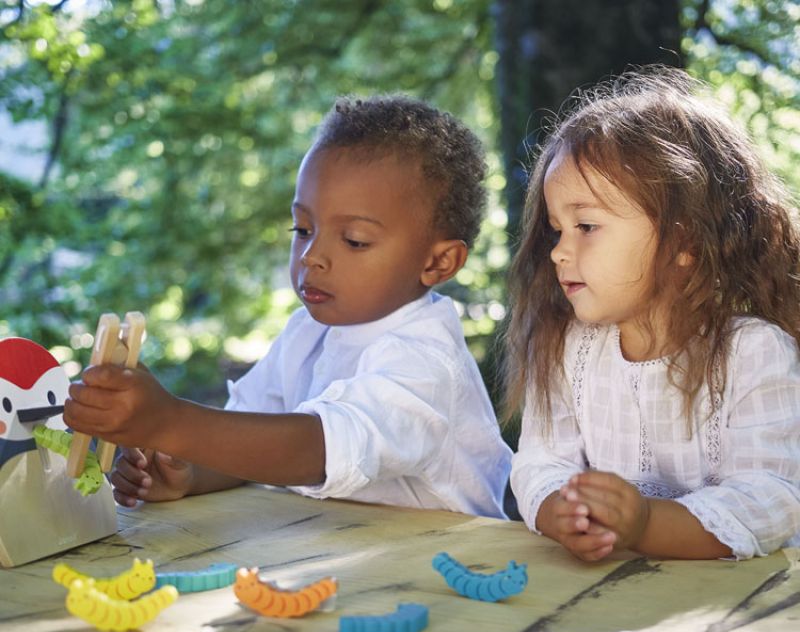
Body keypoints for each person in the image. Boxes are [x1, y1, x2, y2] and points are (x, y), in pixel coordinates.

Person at [64, 96, 512, 518]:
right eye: (302, 229)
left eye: (354, 240)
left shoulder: (426, 363)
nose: (312, 255)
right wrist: (189, 471)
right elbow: (247, 441)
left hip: (452, 580)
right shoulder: (306, 332)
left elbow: (316, 449)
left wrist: (170, 422)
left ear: (439, 262)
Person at [504, 66, 800, 561]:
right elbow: (540, 461)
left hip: (741, 606)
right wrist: (561, 509)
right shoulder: (568, 348)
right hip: (610, 596)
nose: (558, 251)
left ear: (682, 240)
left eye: (587, 226)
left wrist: (644, 523)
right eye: (557, 230)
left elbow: (770, 498)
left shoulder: (753, 352)